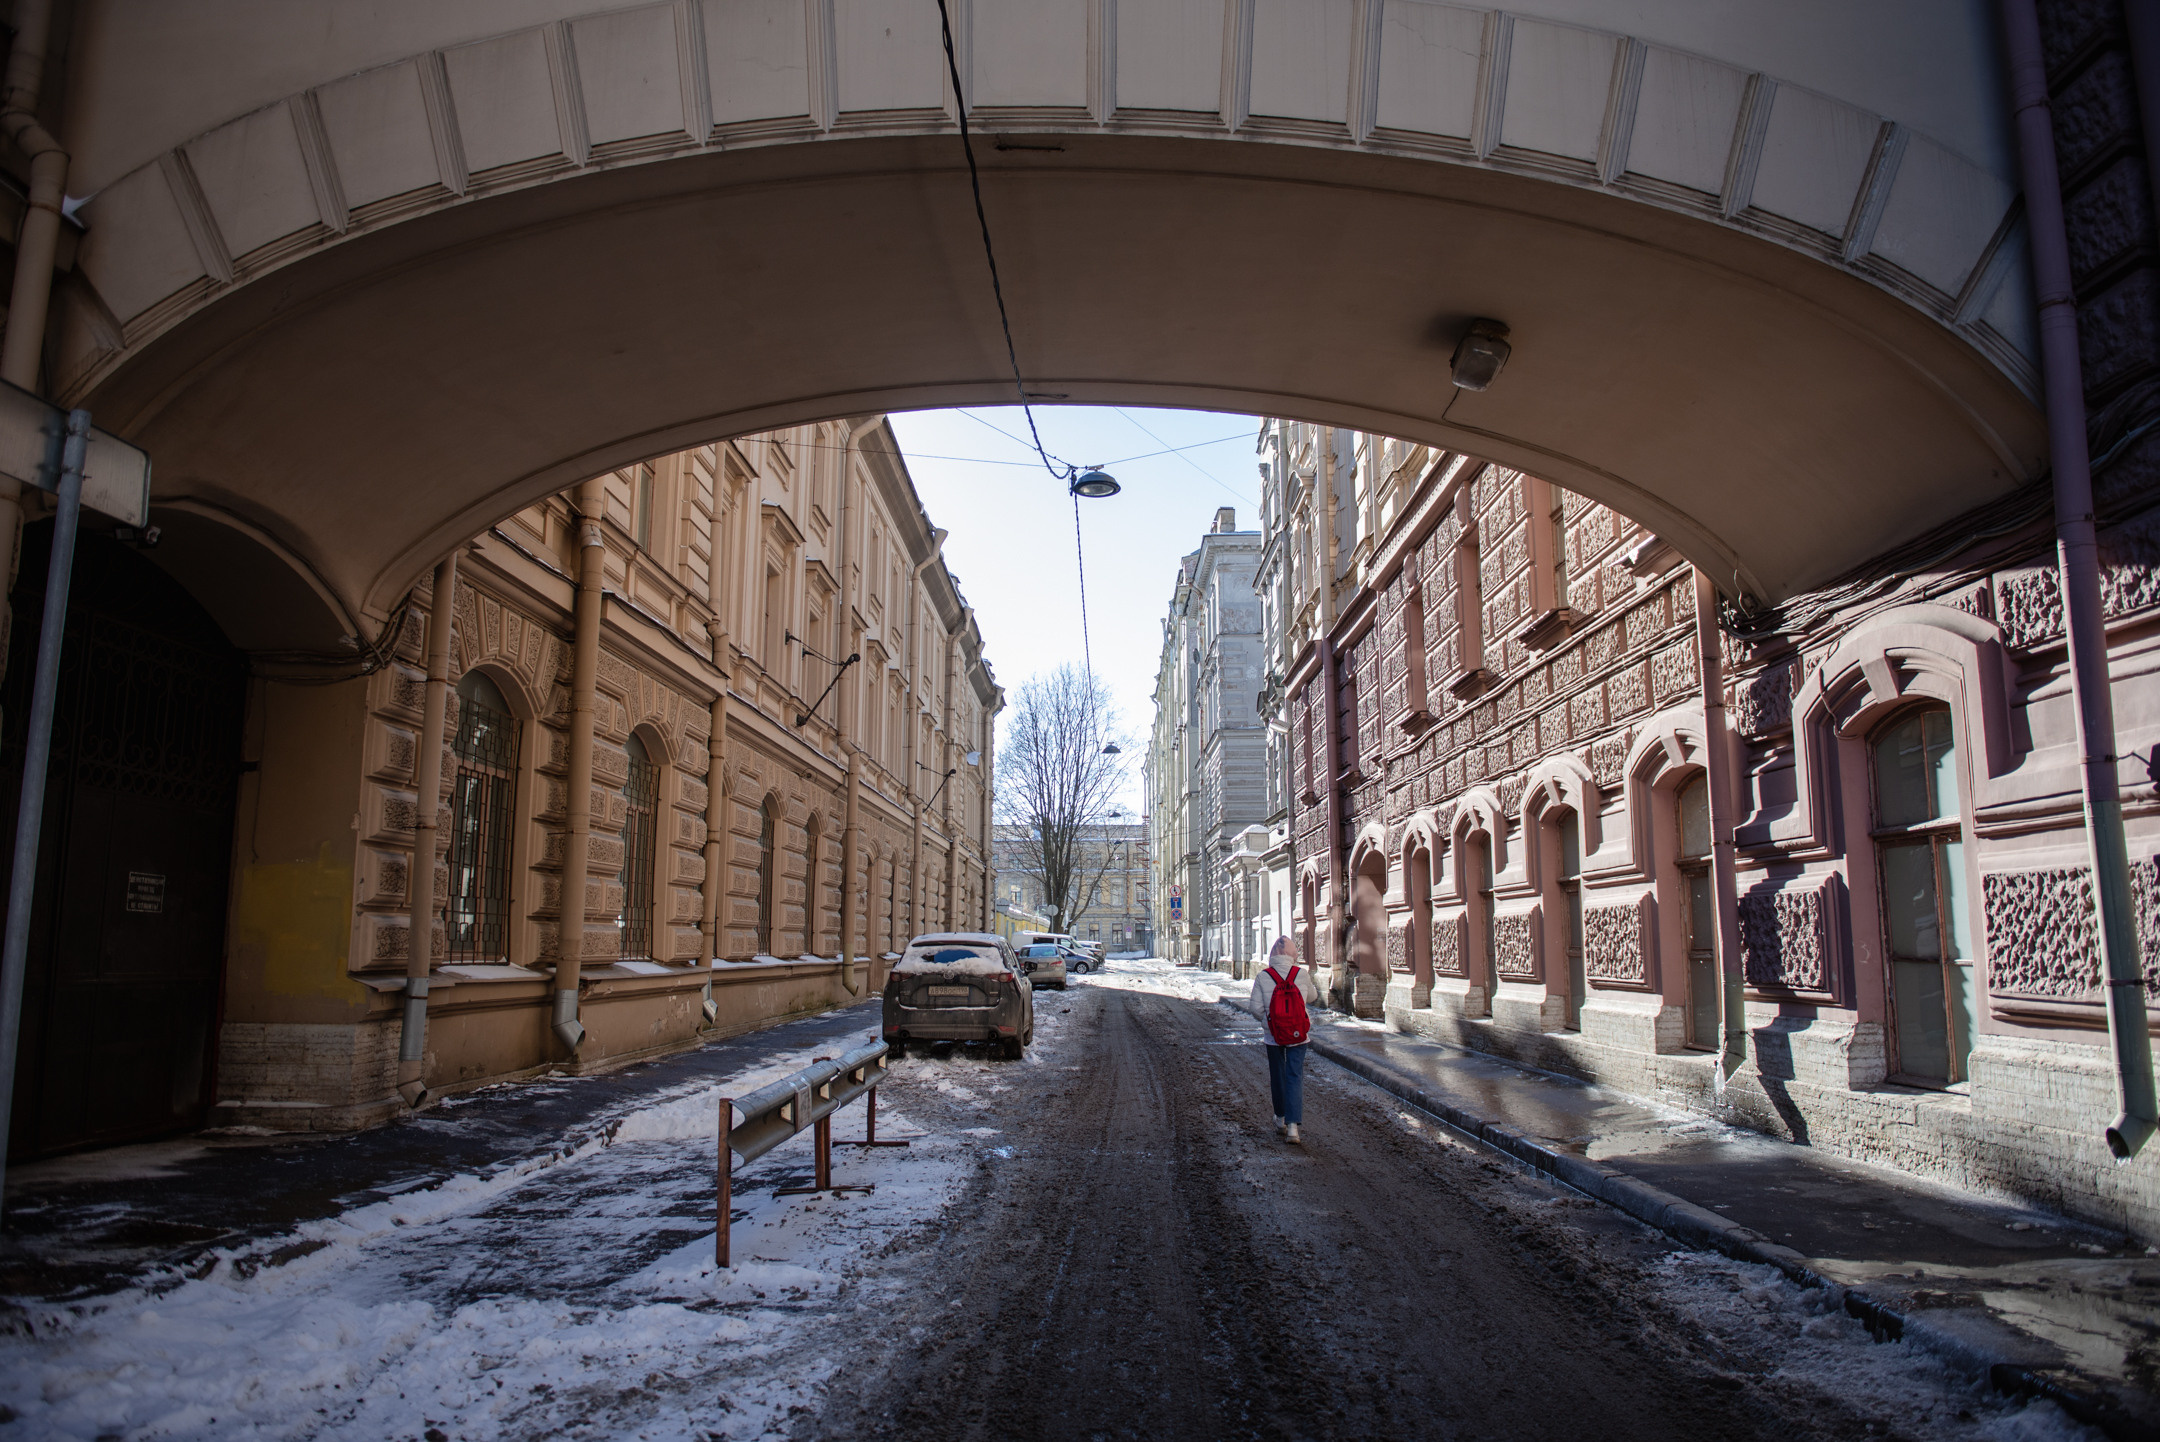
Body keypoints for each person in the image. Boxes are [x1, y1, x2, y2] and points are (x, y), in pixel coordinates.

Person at [1251, 935, 1320, 1144]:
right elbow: (1313, 997)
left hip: (1273, 1036)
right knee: (1294, 1076)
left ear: (1272, 955)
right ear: (1292, 955)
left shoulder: (1263, 976)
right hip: (1298, 1036)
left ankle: (1280, 1119)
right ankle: (1293, 1128)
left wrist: (1269, 1020)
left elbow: (1254, 1008)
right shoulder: (1301, 974)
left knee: (1278, 1075)